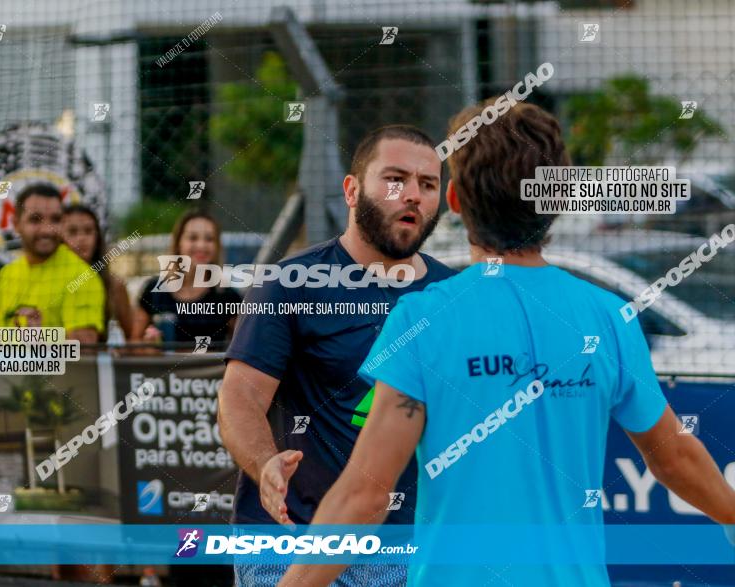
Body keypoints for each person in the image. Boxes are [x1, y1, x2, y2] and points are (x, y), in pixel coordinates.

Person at [278, 102, 735, 587]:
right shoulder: (607, 317)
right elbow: (674, 458)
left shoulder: (422, 320)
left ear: (454, 199)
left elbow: (364, 495)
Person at [218, 125, 456, 586]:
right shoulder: (289, 283)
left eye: (427, 184)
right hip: (290, 544)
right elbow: (240, 397)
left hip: (407, 549)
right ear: (351, 190)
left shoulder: (451, 296)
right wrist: (266, 462)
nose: (412, 195)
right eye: (395, 179)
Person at [0, 184, 105, 343]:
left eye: (55, 219)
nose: (47, 230)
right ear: (15, 224)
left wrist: (39, 341)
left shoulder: (81, 276)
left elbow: (82, 354)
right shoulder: (7, 274)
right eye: (35, 220)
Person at [131, 209, 241, 352]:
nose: (201, 245)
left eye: (209, 239)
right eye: (193, 238)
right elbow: (133, 343)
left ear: (217, 247)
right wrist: (148, 347)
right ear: (178, 243)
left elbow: (241, 350)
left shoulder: (228, 297)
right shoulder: (153, 290)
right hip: (161, 374)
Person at [62, 204, 133, 340]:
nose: (81, 238)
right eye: (72, 232)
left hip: (101, 358)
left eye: (88, 231)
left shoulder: (114, 286)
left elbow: (131, 337)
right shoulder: (52, 281)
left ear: (98, 238)